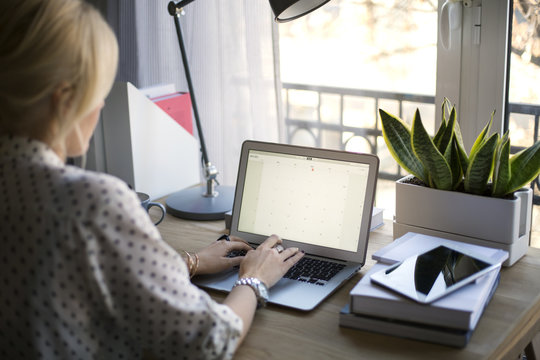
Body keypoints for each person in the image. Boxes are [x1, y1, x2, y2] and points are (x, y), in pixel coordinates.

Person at [0, 0, 304, 359]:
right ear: (64, 100)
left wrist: (190, 262)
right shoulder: (90, 204)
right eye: (99, 91)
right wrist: (254, 279)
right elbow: (209, 340)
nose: (99, 107)